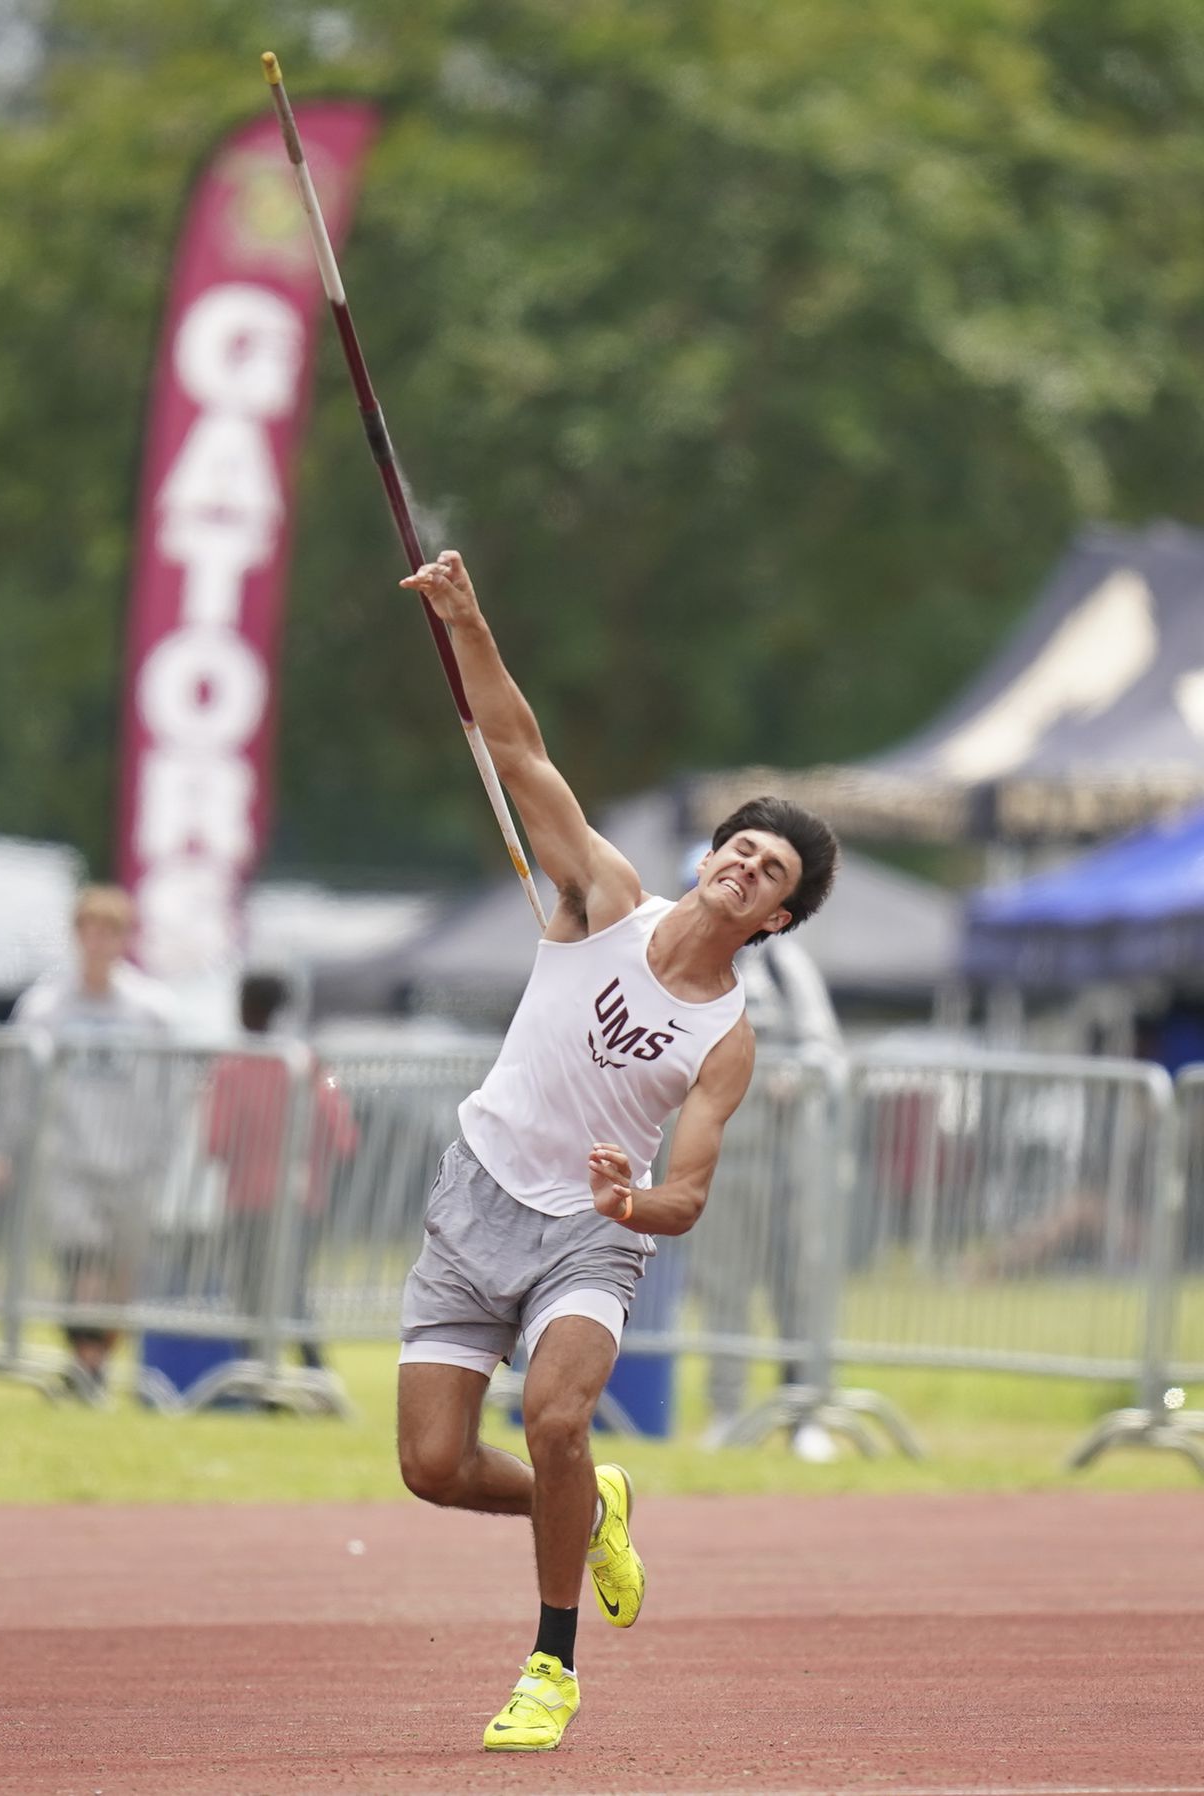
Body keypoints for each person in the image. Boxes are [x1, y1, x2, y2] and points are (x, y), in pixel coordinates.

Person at [394, 550, 839, 1753]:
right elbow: (518, 751)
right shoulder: (603, 897)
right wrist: (469, 617)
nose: (744, 864)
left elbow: (685, 1193)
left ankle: (549, 1661)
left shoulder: (725, 1037)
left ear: (776, 919)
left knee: (550, 1417)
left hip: (592, 1233)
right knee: (431, 1466)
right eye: (740, 847)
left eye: (771, 874)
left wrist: (629, 1201)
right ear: (712, 858)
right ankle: (591, 1504)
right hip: (476, 1194)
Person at [0, 885, 175, 1397]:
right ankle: (85, 1366)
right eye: (90, 931)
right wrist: (2, 1148)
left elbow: (172, 1089)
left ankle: (95, 1360)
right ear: (77, 936)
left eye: (110, 932)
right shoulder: (45, 1005)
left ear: (123, 939)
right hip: (67, 1156)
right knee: (81, 1259)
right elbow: (16, 1083)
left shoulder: (150, 1007)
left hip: (131, 1159)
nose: (98, 943)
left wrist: (168, 1151)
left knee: (116, 1273)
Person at [695, 929, 845, 1461]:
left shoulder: (782, 963)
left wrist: (793, 1076)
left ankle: (804, 1416)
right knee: (721, 1291)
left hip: (789, 1163)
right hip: (721, 1161)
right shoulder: (683, 960)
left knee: (797, 1289)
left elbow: (825, 1050)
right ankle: (727, 1413)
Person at [205, 971, 357, 1370]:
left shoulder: (233, 1066)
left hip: (248, 1197)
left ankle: (257, 1372)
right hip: (301, 1196)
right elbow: (340, 1134)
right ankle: (313, 1369)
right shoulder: (308, 1064)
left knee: (251, 1293)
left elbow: (216, 1140)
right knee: (292, 1289)